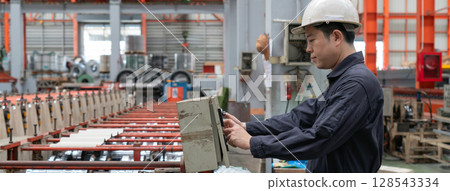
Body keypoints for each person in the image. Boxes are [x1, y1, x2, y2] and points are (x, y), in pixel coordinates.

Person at [223, 0, 384, 173]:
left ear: (336, 37)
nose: (307, 49)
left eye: (311, 40)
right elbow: (300, 118)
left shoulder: (356, 84)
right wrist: (248, 127)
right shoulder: (343, 80)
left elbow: (320, 137)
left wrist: (251, 142)